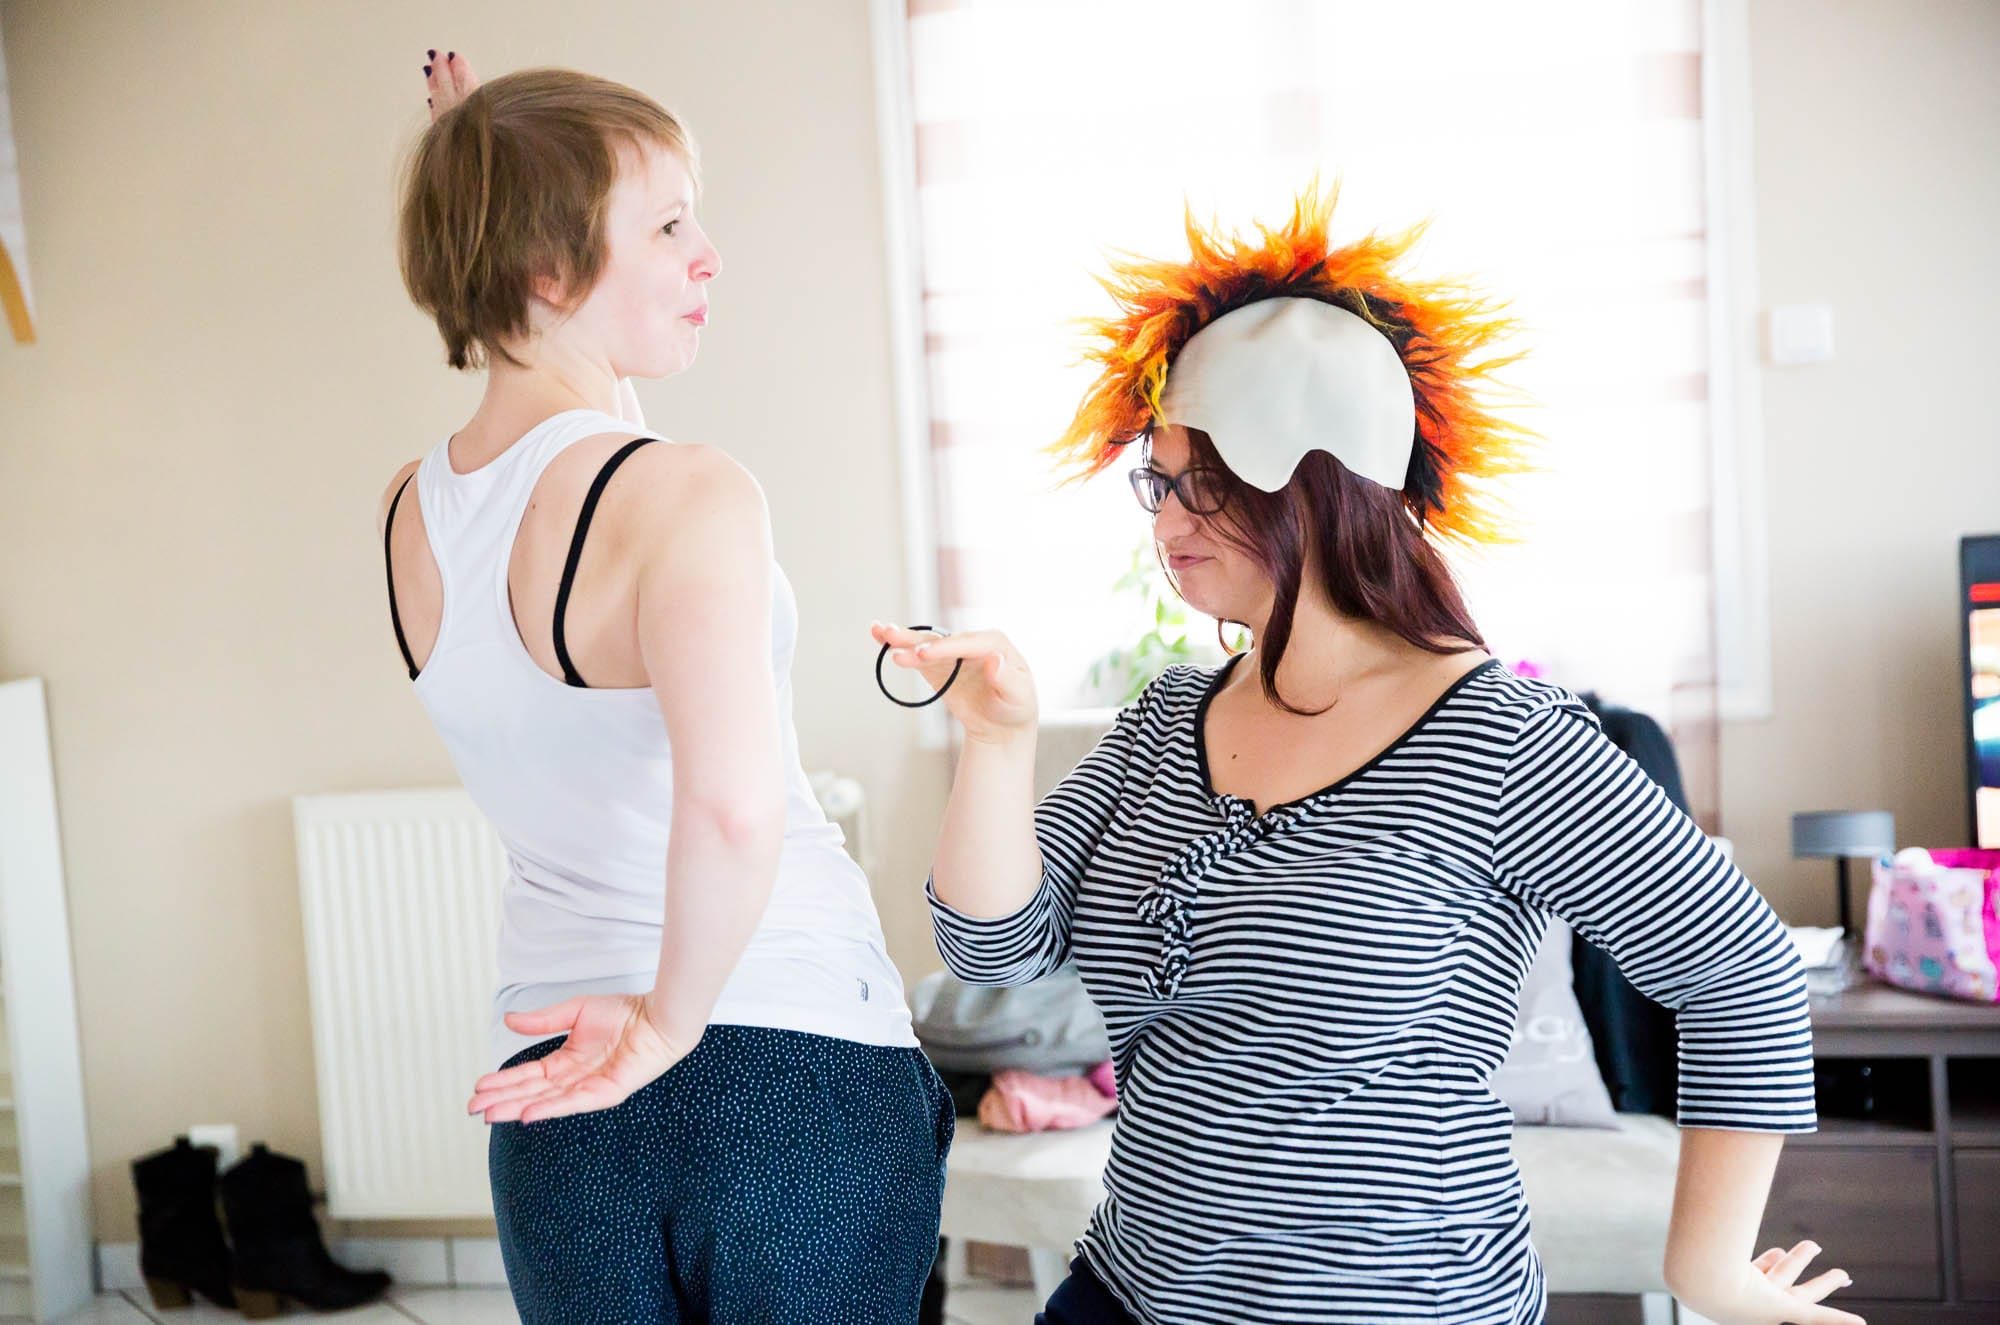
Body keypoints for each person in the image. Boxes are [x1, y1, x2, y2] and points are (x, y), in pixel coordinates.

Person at [875, 187, 1861, 1325]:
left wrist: (1705, 1269)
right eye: (1159, 482)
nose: (1165, 520)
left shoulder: (1502, 739)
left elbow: (1739, 973)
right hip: (1129, 1290)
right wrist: (995, 743)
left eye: (1202, 484)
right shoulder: (1163, 719)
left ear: (1315, 484)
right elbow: (992, 945)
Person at [383, 53, 948, 1322]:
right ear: (547, 267)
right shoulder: (692, 492)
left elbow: (566, 431)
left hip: (558, 1092)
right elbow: (735, 809)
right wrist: (669, 1021)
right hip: (786, 1060)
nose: (709, 255)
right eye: (670, 221)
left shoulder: (406, 519)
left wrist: (487, 160)